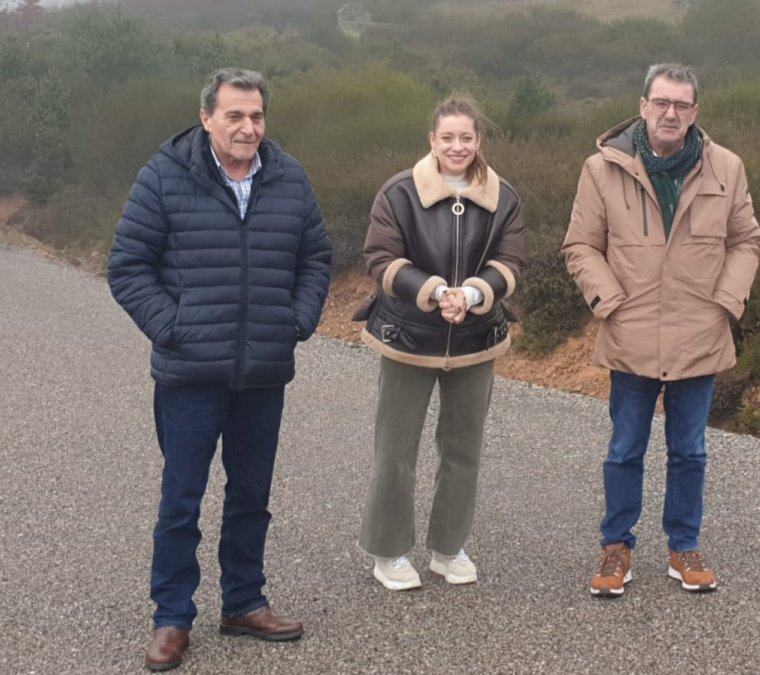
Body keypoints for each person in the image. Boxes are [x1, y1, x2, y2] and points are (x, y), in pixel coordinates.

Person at [108, 67, 331, 671]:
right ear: (206, 117)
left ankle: (243, 602)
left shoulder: (288, 178)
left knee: (252, 496)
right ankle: (172, 617)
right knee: (181, 498)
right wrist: (174, 329)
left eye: (256, 115)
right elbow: (127, 266)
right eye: (234, 115)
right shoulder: (164, 176)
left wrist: (297, 320)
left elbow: (315, 256)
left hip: (262, 372)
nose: (247, 127)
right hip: (188, 375)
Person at [562, 63, 760, 597]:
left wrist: (726, 302)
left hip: (700, 333)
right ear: (643, 104)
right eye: (662, 102)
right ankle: (616, 547)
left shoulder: (727, 168)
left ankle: (683, 545)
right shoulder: (601, 169)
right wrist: (609, 300)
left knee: (690, 450)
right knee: (625, 448)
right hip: (631, 331)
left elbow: (746, 240)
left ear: (695, 112)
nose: (671, 113)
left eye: (682, 105)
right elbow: (580, 245)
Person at [355, 96, 523, 591]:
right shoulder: (397, 193)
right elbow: (380, 258)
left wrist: (473, 293)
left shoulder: (504, 197)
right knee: (395, 450)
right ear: (432, 140)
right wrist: (433, 292)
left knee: (463, 450)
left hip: (476, 338)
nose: (457, 146)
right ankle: (389, 553)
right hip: (409, 336)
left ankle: (448, 549)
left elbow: (511, 262)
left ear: (479, 142)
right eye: (447, 137)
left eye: (466, 138)